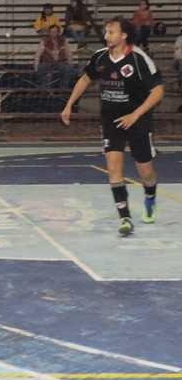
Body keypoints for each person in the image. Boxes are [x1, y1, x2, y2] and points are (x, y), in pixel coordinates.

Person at [61, 17, 164, 236]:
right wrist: (69, 105)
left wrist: (135, 115)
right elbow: (85, 79)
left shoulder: (139, 59)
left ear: (123, 35)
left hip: (138, 120)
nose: (106, 36)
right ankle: (124, 217)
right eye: (106, 32)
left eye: (111, 32)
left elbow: (158, 92)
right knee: (114, 167)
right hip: (111, 121)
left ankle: (150, 196)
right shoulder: (100, 57)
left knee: (146, 172)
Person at [34, 25, 75, 90]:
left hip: (60, 62)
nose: (54, 33)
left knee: (69, 69)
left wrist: (70, 64)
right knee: (40, 68)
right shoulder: (44, 41)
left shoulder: (63, 40)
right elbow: (38, 54)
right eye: (52, 31)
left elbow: (69, 53)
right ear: (49, 32)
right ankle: (45, 88)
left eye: (55, 31)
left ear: (58, 32)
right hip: (47, 62)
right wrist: (36, 66)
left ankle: (63, 88)